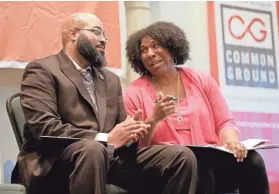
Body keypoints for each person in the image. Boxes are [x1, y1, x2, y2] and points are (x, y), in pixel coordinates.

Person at [11, 14, 198, 194]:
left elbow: (120, 132)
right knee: (92, 150)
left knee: (181, 157)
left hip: (107, 158)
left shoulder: (110, 79)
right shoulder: (42, 70)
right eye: (97, 32)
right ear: (74, 34)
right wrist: (105, 138)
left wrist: (132, 131)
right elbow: (45, 129)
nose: (104, 39)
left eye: (105, 35)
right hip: (55, 162)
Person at [123, 21, 270, 194]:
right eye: (143, 50)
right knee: (197, 164)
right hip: (169, 167)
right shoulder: (134, 92)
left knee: (253, 160)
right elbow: (135, 143)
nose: (150, 54)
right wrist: (155, 118)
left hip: (211, 158)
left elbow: (224, 122)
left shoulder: (201, 80)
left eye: (155, 46)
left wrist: (231, 141)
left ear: (172, 46)